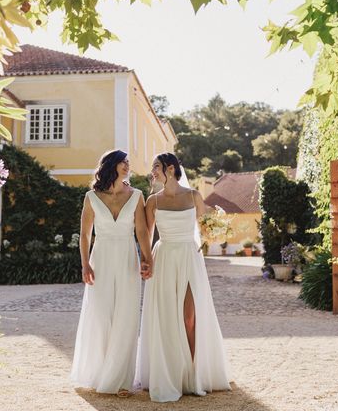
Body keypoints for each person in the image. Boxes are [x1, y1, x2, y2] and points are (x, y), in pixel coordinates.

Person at [138, 152, 231, 402]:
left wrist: (217, 229)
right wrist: (146, 262)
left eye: (156, 167)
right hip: (165, 257)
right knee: (167, 318)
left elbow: (205, 228)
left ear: (170, 169)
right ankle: (172, 374)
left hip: (189, 257)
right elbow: (146, 235)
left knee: (189, 317)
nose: (152, 172)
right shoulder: (153, 201)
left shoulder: (193, 196)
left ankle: (192, 374)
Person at [71, 150, 153, 397]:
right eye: (124, 162)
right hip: (101, 259)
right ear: (111, 165)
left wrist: (147, 259)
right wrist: (85, 264)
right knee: (101, 314)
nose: (128, 166)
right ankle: (100, 373)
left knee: (126, 315)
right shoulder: (91, 197)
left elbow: (142, 232)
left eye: (128, 163)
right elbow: (85, 235)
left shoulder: (137, 195)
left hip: (128, 258)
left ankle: (121, 380)